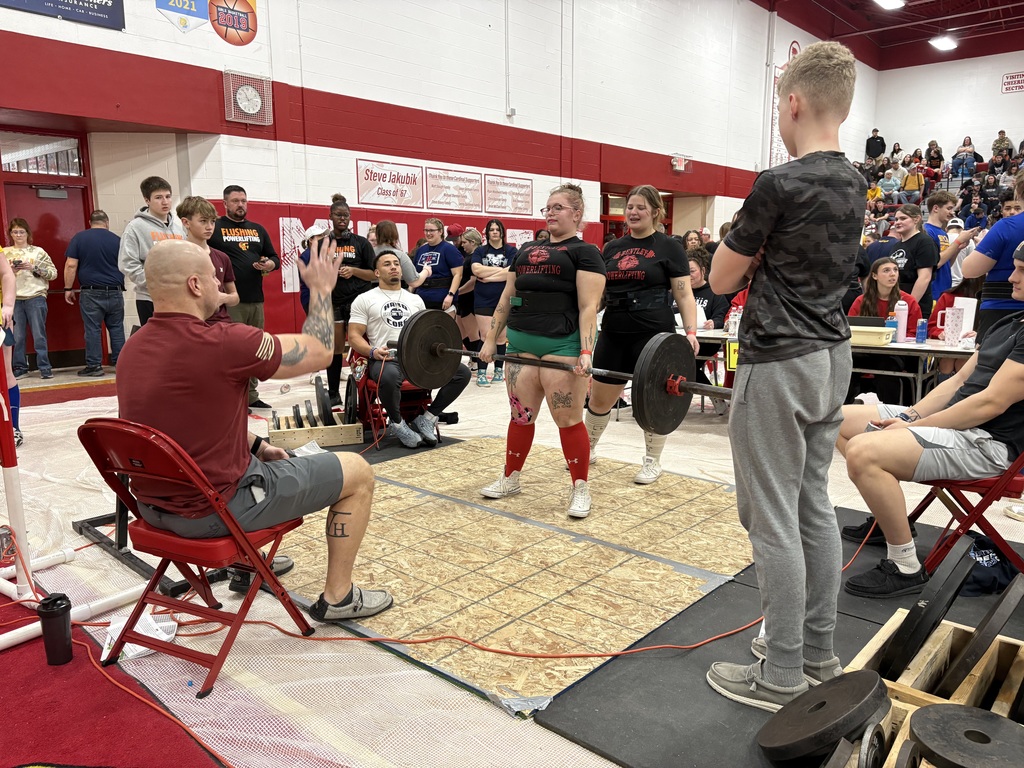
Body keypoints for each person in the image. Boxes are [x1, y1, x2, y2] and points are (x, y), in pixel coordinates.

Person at [704, 41, 865, 712]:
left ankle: (780, 674)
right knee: (811, 508)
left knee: (771, 517)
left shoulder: (780, 182)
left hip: (781, 356)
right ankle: (821, 656)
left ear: (793, 102)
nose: (778, 113)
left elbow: (719, 278)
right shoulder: (856, 180)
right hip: (833, 357)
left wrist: (750, 244)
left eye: (778, 103)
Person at [117, 238, 393, 624]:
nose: (222, 286)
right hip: (215, 512)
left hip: (154, 509)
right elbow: (317, 350)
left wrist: (257, 444)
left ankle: (246, 567)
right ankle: (339, 597)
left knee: (253, 462)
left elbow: (176, 426)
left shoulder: (132, 349)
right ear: (195, 285)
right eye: (215, 278)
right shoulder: (224, 342)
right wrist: (320, 290)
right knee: (359, 472)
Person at [836, 248, 1024, 598]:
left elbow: (989, 403)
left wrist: (911, 428)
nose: (1011, 277)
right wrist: (911, 416)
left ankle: (905, 565)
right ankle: (888, 517)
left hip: (988, 443)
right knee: (836, 420)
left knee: (864, 452)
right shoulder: (1009, 322)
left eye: (1021, 271)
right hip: (955, 426)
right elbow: (956, 383)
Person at [478, 183, 606, 519]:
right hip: (520, 343)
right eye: (547, 208)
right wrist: (491, 340)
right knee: (520, 417)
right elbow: (507, 298)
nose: (550, 213)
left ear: (577, 213)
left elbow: (588, 307)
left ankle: (580, 488)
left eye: (558, 207)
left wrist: (586, 352)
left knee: (568, 419)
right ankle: (511, 478)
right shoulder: (525, 251)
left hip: (562, 346)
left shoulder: (585, 253)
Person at [585, 185, 698, 484]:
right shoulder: (612, 248)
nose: (633, 213)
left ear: (656, 212)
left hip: (653, 333)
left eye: (640, 208)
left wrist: (690, 332)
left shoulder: (670, 247)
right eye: (630, 207)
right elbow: (600, 295)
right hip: (614, 329)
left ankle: (652, 461)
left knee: (653, 400)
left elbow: (684, 294)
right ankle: (587, 448)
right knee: (599, 399)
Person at [347, 252, 471, 448]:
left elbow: (426, 333)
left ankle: (428, 418)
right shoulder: (364, 299)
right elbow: (353, 336)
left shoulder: (415, 300)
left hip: (416, 359)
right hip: (385, 358)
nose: (394, 267)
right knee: (387, 377)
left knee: (461, 373)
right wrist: (372, 352)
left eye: (396, 263)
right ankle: (397, 424)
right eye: (387, 264)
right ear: (377, 272)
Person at [208, 185, 281, 410]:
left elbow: (274, 258)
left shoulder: (258, 229)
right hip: (230, 300)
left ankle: (251, 395)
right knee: (232, 351)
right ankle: (232, 398)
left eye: (244, 201)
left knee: (254, 349)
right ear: (225, 204)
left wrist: (269, 264)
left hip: (255, 299)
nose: (241, 205)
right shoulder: (216, 228)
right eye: (236, 201)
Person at [847, 257, 923, 405]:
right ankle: (845, 408)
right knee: (848, 362)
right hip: (866, 351)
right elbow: (851, 328)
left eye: (895, 270)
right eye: (886, 270)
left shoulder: (908, 301)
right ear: (874, 276)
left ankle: (890, 411)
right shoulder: (861, 301)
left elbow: (914, 333)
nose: (892, 274)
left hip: (894, 354)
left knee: (887, 366)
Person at [961, 174, 1024, 339]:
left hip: (1002, 309)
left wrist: (981, 246)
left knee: (989, 363)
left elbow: (969, 270)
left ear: (1018, 192)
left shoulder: (1007, 226)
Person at [117, 176, 185, 327]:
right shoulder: (135, 227)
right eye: (158, 198)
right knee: (157, 345)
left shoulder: (179, 228)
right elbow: (127, 264)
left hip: (179, 297)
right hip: (150, 298)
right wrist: (153, 284)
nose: (165, 202)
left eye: (168, 196)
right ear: (147, 200)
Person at [64, 210, 125, 377]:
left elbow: (70, 265)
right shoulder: (118, 240)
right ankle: (121, 364)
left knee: (92, 329)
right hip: (115, 291)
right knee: (117, 328)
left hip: (91, 292)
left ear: (90, 222)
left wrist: (68, 288)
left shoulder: (80, 238)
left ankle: (94, 366)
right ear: (107, 222)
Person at [4, 219, 56, 380]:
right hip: (14, 298)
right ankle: (20, 367)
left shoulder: (38, 252)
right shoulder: (5, 253)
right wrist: (9, 271)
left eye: (21, 232)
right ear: (10, 234)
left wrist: (34, 267)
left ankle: (44, 367)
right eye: (15, 232)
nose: (18, 235)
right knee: (17, 336)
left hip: (36, 297)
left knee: (39, 334)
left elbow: (53, 273)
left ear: (28, 233)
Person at [177, 196, 238, 324]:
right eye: (203, 221)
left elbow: (235, 297)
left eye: (213, 221)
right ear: (186, 222)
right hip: (191, 323)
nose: (209, 227)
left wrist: (222, 298)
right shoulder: (177, 256)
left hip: (221, 322)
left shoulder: (222, 257)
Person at [471, 219, 517, 386]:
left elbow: (512, 272)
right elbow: (476, 269)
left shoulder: (511, 250)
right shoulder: (480, 250)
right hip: (483, 298)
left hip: (504, 297)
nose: (495, 232)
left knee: (501, 337)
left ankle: (498, 370)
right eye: (492, 229)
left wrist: (487, 276)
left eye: (498, 229)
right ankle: (482, 372)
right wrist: (502, 272)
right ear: (487, 233)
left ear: (502, 232)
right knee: (485, 335)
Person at [924, 191, 980, 306]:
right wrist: (958, 241)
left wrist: (958, 248)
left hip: (944, 288)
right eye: (949, 208)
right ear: (935, 208)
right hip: (932, 291)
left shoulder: (942, 232)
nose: (951, 212)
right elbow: (936, 263)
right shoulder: (927, 231)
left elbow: (947, 264)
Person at [928, 275, 984, 383]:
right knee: (947, 361)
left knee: (963, 361)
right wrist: (940, 333)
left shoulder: (989, 301)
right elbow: (932, 326)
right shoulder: (948, 296)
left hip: (973, 348)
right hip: (948, 346)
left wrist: (979, 334)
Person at [889, 203, 939, 318]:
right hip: (896, 302)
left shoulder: (924, 242)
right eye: (896, 219)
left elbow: (924, 278)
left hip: (916, 305)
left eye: (903, 218)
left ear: (916, 219)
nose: (897, 222)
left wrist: (909, 305)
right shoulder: (896, 246)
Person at [414, 218, 463, 311]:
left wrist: (450, 295)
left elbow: (458, 274)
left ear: (440, 231)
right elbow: (415, 275)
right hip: (421, 298)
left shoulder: (449, 249)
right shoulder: (420, 250)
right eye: (426, 230)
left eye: (431, 230)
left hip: (443, 299)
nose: (428, 233)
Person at [454, 228, 481, 383]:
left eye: (464, 242)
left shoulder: (475, 258)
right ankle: (473, 358)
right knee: (461, 331)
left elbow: (473, 282)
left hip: (470, 298)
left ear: (472, 242)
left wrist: (456, 292)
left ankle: (477, 361)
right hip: (462, 298)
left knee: (472, 333)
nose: (462, 245)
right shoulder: (468, 256)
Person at [373, 219, 430, 290]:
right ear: (395, 234)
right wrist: (426, 270)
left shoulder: (369, 253)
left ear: (377, 234)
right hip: (394, 294)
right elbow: (414, 281)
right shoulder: (399, 255)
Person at [0, 254, 19, 445]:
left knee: (5, 373)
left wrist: (8, 305)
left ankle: (13, 428)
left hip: (0, 319)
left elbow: (7, 273)